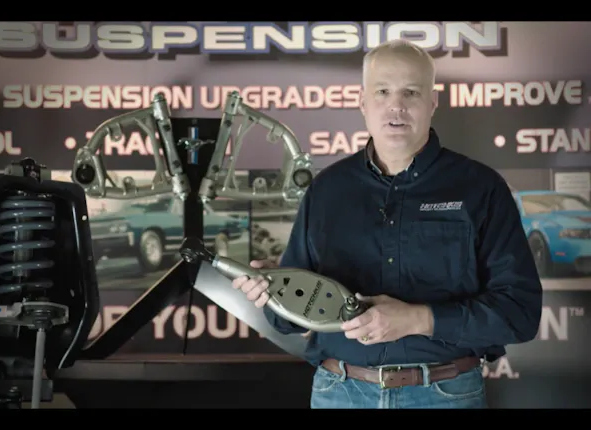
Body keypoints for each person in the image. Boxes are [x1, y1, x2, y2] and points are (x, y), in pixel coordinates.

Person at [231, 39, 543, 409]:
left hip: (443, 396)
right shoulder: (327, 190)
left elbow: (520, 314)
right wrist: (275, 291)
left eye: (411, 92)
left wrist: (419, 319)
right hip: (340, 394)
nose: (396, 105)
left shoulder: (481, 188)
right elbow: (288, 322)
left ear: (432, 102)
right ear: (363, 102)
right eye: (382, 91)